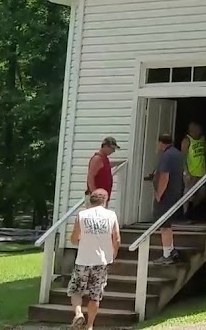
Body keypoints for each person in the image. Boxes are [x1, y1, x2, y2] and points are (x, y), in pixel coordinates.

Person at [68, 188, 120, 330]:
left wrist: (79, 240)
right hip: (101, 262)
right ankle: (90, 325)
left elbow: (73, 238)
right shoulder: (111, 215)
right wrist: (113, 254)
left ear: (91, 201)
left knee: (76, 290)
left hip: (83, 260)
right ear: (106, 200)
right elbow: (117, 238)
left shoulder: (82, 215)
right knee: (95, 295)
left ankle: (78, 313)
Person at [152, 133, 184, 265]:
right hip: (176, 193)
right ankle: (171, 249)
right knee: (168, 224)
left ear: (161, 143)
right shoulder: (177, 154)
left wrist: (159, 194)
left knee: (164, 225)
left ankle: (166, 255)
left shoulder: (166, 156)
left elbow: (165, 176)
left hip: (167, 195)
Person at [180, 122, 206, 221]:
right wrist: (185, 171)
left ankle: (194, 212)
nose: (199, 131)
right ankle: (186, 215)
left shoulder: (202, 139)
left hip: (202, 173)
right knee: (188, 195)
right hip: (191, 173)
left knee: (201, 195)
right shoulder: (187, 140)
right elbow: (183, 157)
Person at [85, 137, 119, 205]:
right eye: (112, 148)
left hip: (103, 198)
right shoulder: (97, 159)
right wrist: (94, 196)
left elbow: (105, 167)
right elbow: (90, 178)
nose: (113, 151)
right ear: (105, 146)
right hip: (97, 199)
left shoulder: (104, 159)